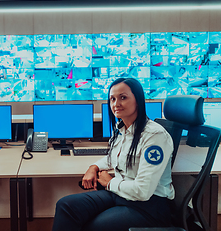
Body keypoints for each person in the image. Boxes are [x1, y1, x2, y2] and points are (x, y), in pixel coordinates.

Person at [52, 77, 174, 231]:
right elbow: (113, 157)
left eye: (123, 98)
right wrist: (93, 167)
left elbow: (143, 191)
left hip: (148, 206)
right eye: (112, 99)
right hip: (121, 193)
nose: (116, 104)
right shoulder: (123, 129)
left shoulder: (154, 136)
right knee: (65, 206)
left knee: (91, 227)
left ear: (138, 100)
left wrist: (109, 182)